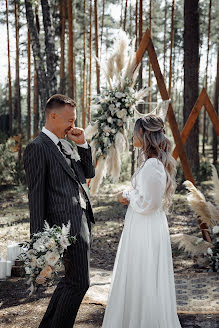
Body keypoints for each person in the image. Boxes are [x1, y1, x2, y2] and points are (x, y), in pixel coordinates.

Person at [102, 114, 182, 328]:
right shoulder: (149, 163)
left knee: (144, 274)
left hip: (146, 228)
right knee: (137, 273)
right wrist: (130, 193)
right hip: (141, 226)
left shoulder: (153, 165)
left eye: (135, 131)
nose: (131, 135)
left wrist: (127, 195)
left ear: (145, 134)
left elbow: (151, 203)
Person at [23, 94, 95, 328]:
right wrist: (37, 243)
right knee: (79, 284)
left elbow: (88, 173)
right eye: (70, 120)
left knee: (72, 282)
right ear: (52, 116)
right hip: (63, 229)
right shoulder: (37, 148)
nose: (73, 125)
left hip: (81, 221)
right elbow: (36, 197)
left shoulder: (65, 143)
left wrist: (82, 144)